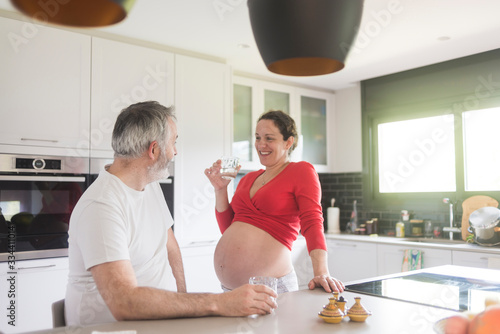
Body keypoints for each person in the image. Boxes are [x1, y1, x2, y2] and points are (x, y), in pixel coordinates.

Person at [65, 101, 277, 326]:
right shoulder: (102, 206)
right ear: (154, 150)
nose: (175, 151)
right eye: (173, 143)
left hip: (160, 322)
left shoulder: (150, 184)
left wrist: (183, 302)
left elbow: (170, 245)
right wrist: (220, 302)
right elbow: (124, 303)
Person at [205, 110, 344, 294]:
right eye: (257, 137)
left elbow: (312, 221)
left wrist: (321, 272)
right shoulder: (248, 178)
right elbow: (229, 229)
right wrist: (220, 190)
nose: (261, 144)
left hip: (272, 288)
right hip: (231, 290)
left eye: (269, 138)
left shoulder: (301, 171)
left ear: (288, 142)